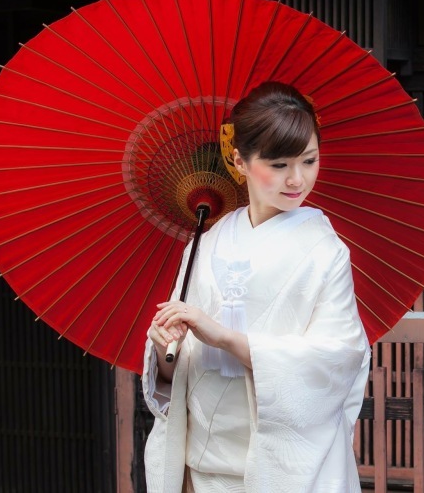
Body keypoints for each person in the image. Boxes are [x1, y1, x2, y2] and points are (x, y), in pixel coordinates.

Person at [142, 81, 372, 493]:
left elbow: (337, 359)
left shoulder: (326, 252)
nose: (297, 179)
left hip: (283, 469)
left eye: (309, 160)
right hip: (202, 466)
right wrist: (164, 351)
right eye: (279, 165)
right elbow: (176, 369)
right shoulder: (204, 244)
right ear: (239, 160)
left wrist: (226, 338)